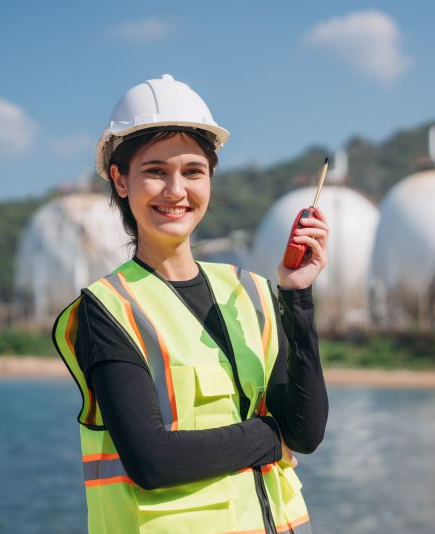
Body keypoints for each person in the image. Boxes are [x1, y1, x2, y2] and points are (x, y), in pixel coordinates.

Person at [53, 74, 329, 534]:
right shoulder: (108, 309)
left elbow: (306, 431)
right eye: (156, 171)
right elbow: (152, 460)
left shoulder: (253, 292)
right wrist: (267, 436)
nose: (176, 191)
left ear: (211, 179)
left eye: (192, 171)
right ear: (121, 181)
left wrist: (297, 296)